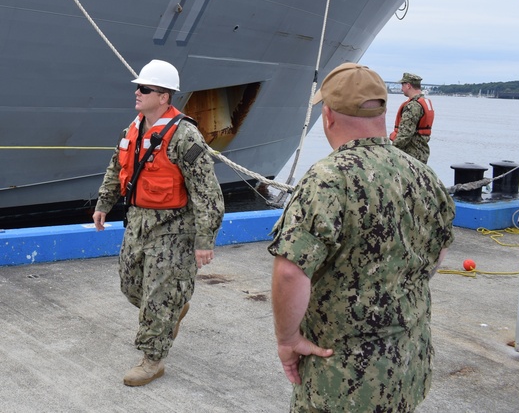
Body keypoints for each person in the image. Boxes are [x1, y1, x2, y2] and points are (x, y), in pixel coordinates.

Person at [269, 62, 454, 412]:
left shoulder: (328, 179)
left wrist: (288, 338)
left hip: (345, 379)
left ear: (328, 116)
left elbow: (292, 271)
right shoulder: (424, 176)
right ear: (382, 110)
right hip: (408, 366)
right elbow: (438, 252)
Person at [93, 60, 223, 387]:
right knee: (130, 284)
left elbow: (207, 192)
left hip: (174, 227)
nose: (137, 93)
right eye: (138, 87)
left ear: (164, 97)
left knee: (157, 296)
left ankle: (153, 359)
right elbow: (116, 167)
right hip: (138, 221)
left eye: (145, 89)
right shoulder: (133, 128)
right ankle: (171, 308)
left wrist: (205, 240)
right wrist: (104, 204)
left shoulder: (185, 136)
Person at [391, 72, 434, 163]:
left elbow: (405, 134)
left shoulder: (413, 106)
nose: (401, 89)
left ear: (408, 85)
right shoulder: (424, 102)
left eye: (402, 85)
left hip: (411, 155)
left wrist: (391, 150)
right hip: (421, 152)